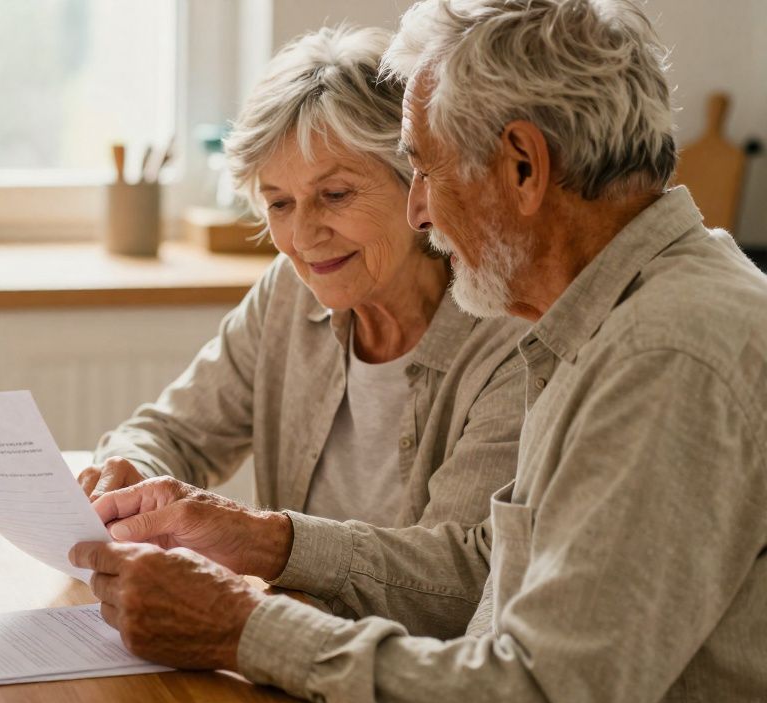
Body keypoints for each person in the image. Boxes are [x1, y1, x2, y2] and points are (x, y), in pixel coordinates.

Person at [69, 1, 767, 703]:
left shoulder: (664, 356)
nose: (419, 212)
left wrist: (241, 624)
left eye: (427, 170)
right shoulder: (596, 321)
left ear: (523, 167)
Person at [79, 26, 527, 537]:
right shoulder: (289, 292)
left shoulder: (507, 335)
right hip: (278, 614)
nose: (303, 236)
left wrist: (261, 544)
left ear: (417, 183)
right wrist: (127, 467)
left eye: (335, 194)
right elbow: (174, 432)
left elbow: (452, 578)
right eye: (279, 203)